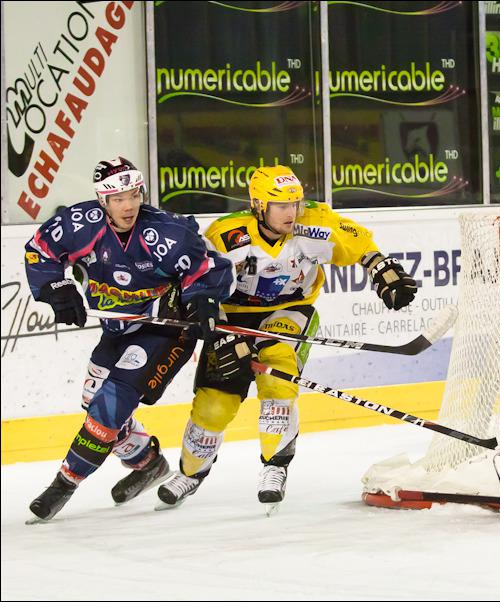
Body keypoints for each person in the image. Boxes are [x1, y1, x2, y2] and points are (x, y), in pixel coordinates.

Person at [156, 165, 417, 511]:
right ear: (258, 205)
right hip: (232, 316)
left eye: (295, 203)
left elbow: (358, 244)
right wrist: (206, 322)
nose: (291, 212)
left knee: (277, 379)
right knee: (213, 406)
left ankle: (274, 466)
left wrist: (379, 267)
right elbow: (197, 283)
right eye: (281, 205)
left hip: (290, 311)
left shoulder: (314, 223)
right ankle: (191, 473)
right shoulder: (225, 234)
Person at [24, 157, 235, 522]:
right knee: (94, 403)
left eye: (134, 195)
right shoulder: (80, 224)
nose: (128, 205)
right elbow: (41, 250)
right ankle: (148, 463)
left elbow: (211, 268)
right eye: (118, 198)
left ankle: (64, 483)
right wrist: (56, 287)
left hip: (165, 329)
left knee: (110, 403)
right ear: (103, 200)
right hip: (118, 329)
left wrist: (203, 299)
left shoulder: (167, 233)